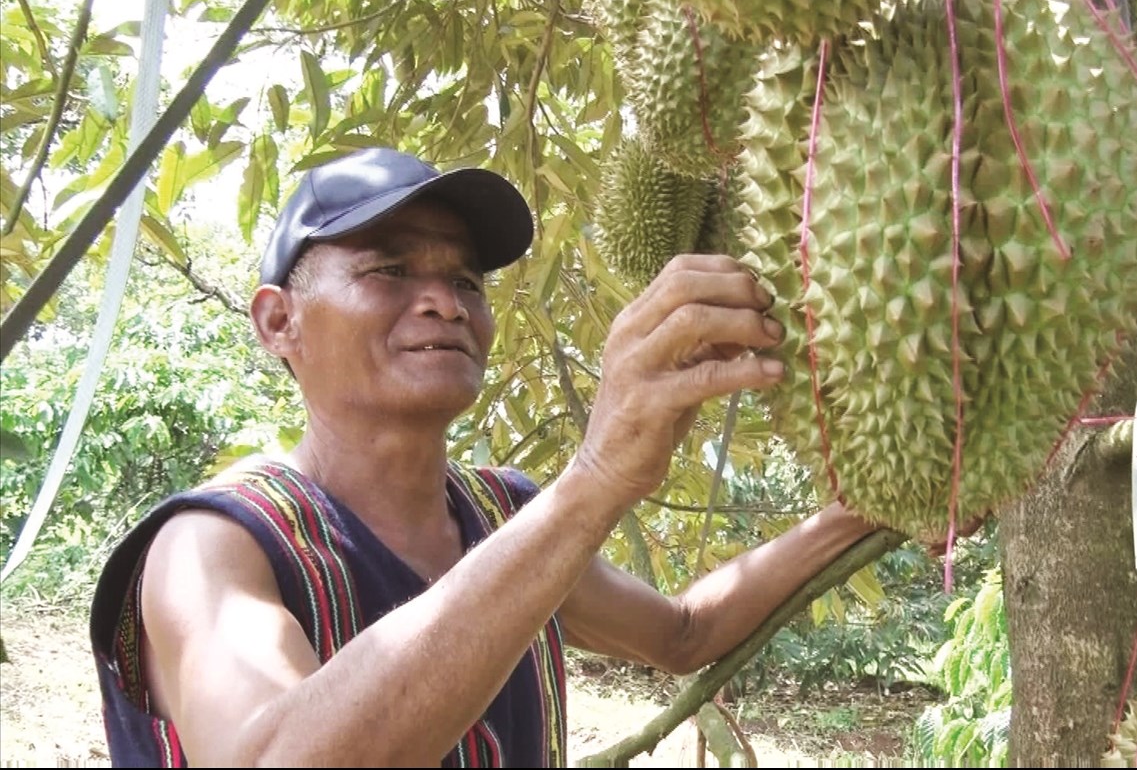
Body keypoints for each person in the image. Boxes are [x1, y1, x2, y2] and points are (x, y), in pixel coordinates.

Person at [88, 147, 880, 767]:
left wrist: (867, 507)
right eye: (389, 269)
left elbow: (679, 633)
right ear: (278, 322)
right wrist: (596, 481)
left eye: (465, 280)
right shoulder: (215, 543)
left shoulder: (505, 516)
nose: (444, 300)